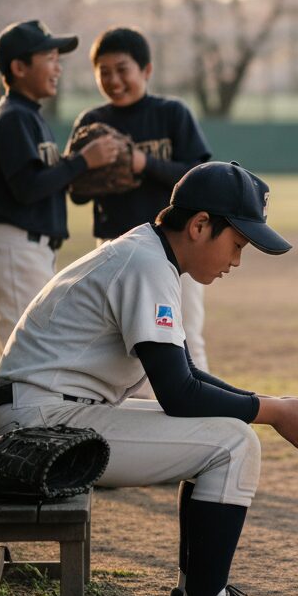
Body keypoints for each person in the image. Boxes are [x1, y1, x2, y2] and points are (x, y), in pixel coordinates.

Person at [0, 161, 298, 596]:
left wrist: (268, 402)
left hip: (49, 413)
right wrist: (270, 412)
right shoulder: (146, 264)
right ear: (199, 226)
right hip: (42, 427)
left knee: (228, 438)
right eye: (237, 243)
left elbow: (184, 374)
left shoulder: (149, 254)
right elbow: (179, 394)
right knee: (234, 444)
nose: (236, 260)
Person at [70, 26, 214, 374]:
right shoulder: (93, 122)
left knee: (186, 339)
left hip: (178, 250)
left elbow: (199, 172)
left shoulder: (172, 114)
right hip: (115, 250)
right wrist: (97, 169)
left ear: (146, 70)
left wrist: (143, 163)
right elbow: (75, 191)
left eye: (122, 70)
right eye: (104, 72)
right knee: (118, 345)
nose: (114, 80)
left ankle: (200, 413)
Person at [0, 19, 123, 354]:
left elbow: (42, 181)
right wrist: (83, 161)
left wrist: (78, 167)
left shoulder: (28, 115)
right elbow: (27, 188)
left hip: (28, 250)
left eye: (58, 59)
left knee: (34, 356)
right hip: (16, 249)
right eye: (50, 58)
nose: (58, 68)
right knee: (27, 359)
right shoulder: (13, 117)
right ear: (19, 67)